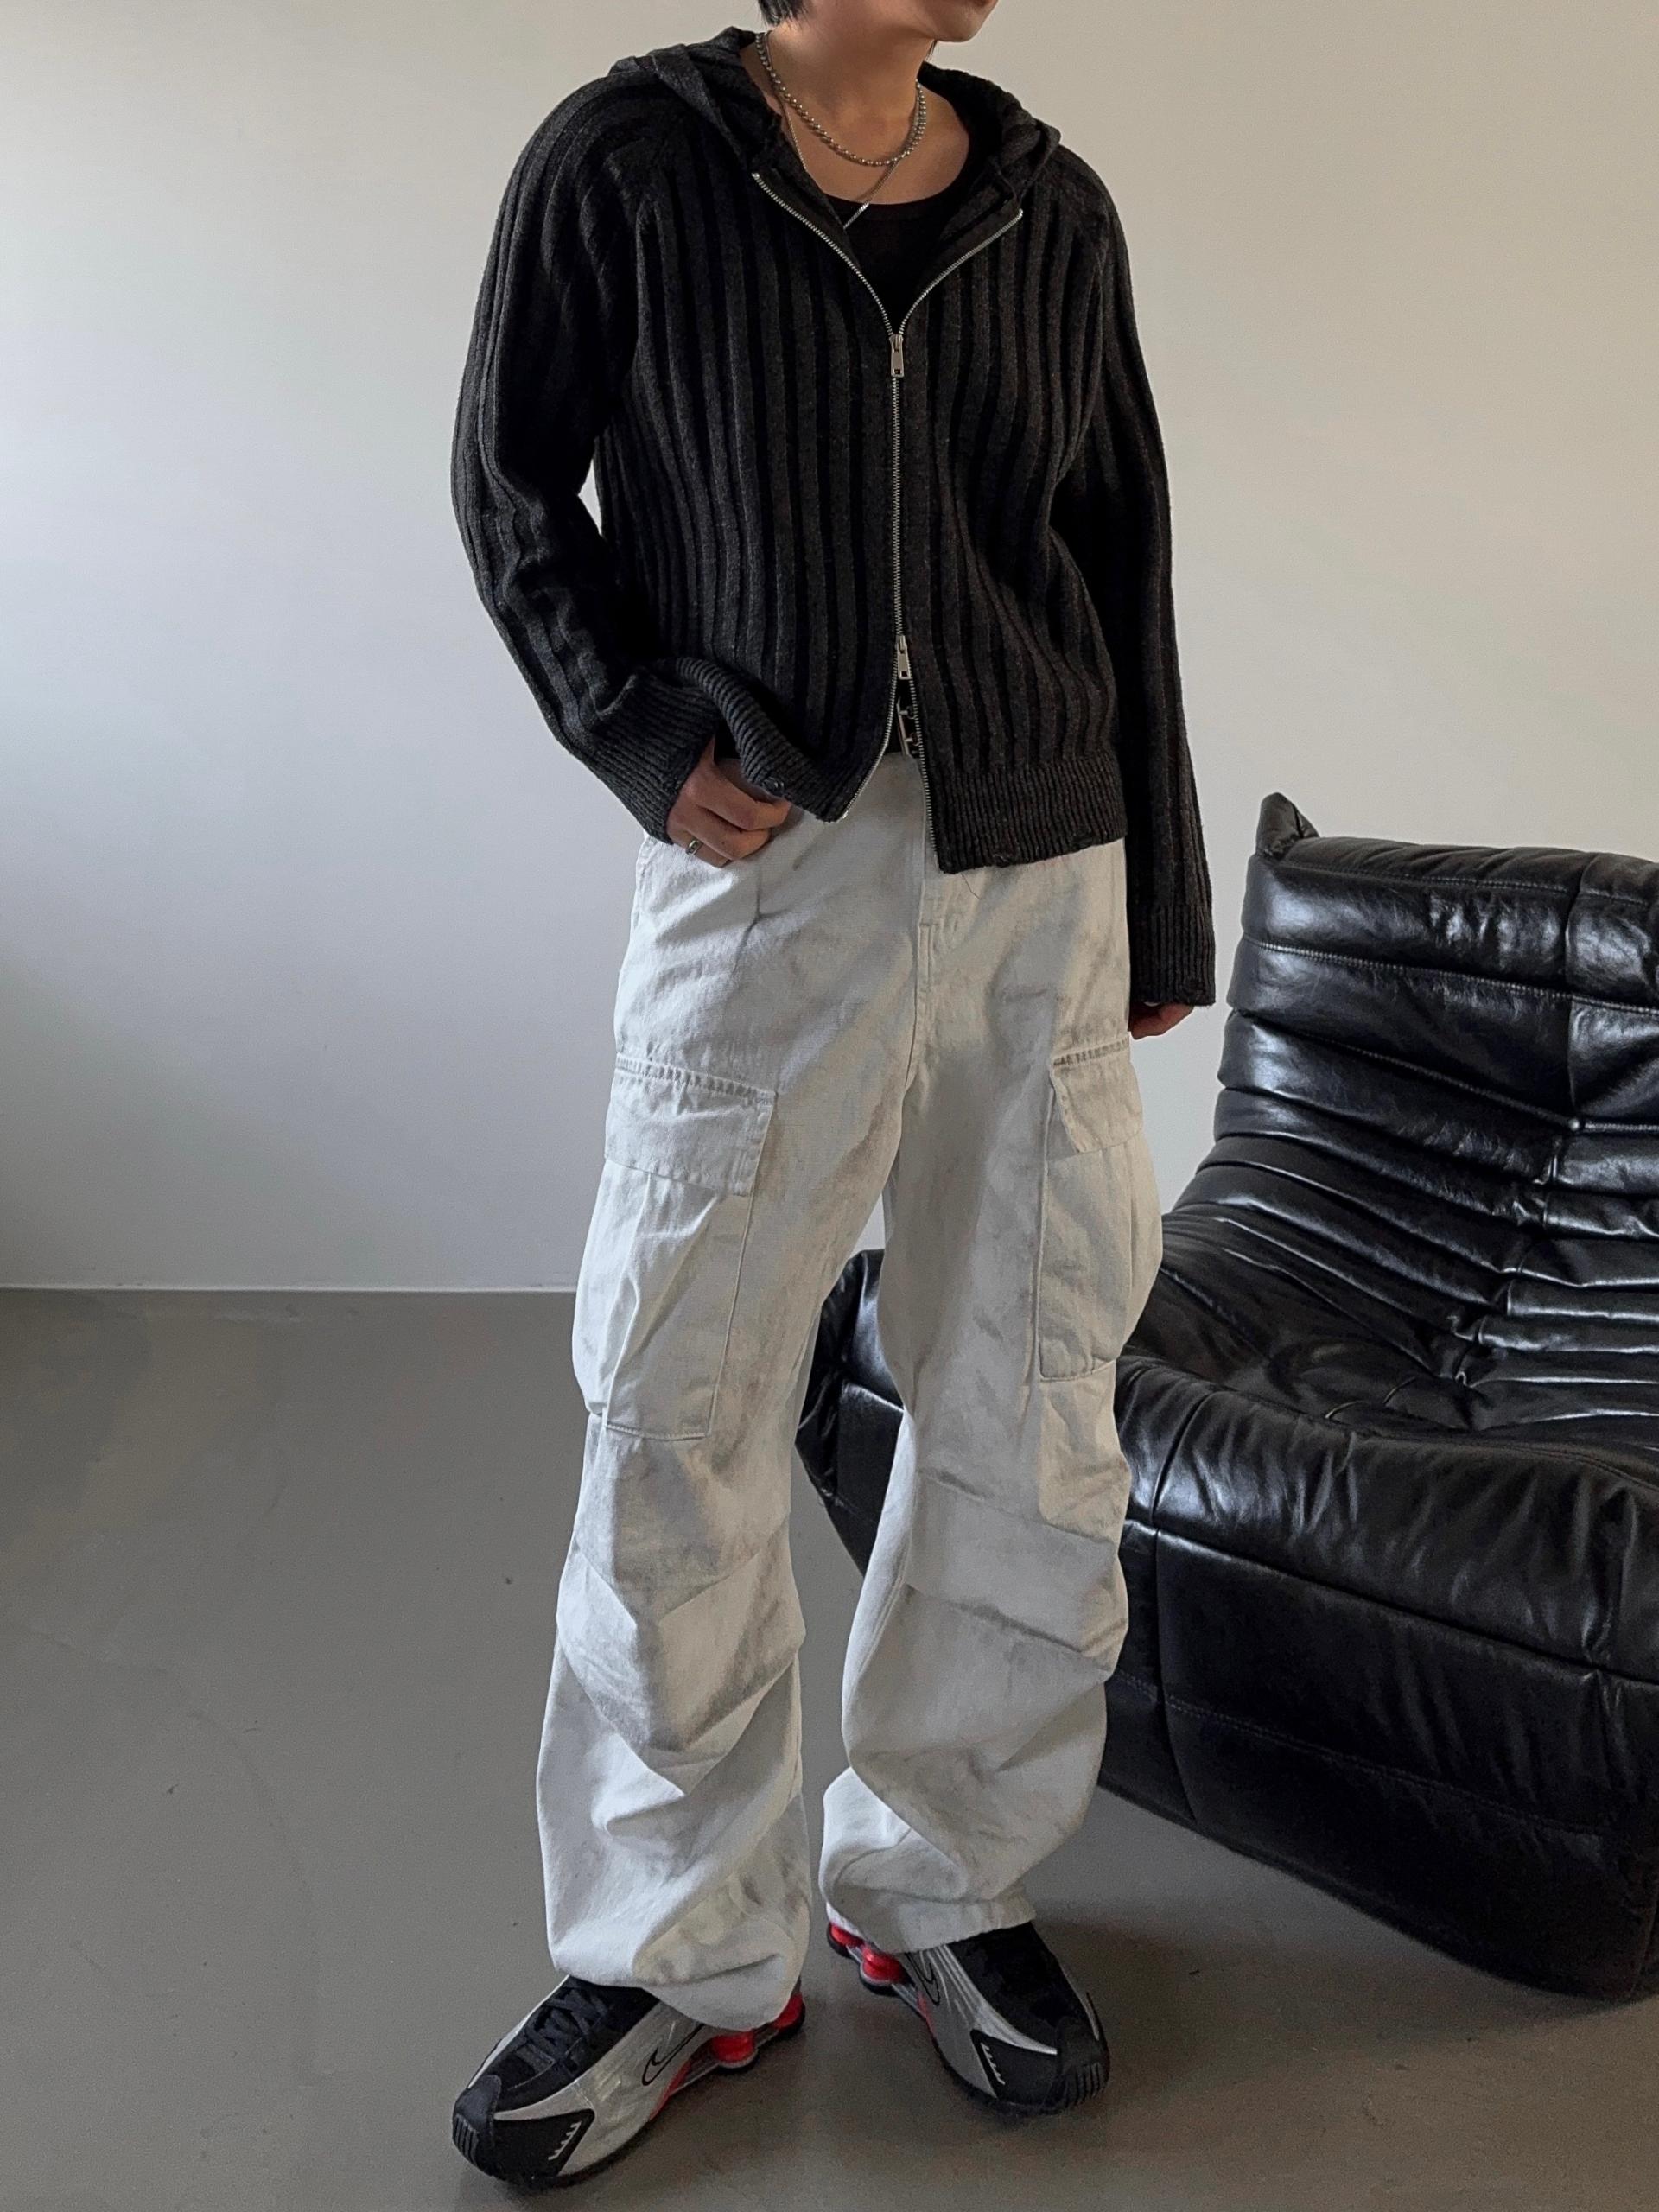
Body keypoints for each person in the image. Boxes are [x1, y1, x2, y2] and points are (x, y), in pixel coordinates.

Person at [447, 2, 1216, 2187]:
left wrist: (1164, 895)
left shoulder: (1053, 206)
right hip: (772, 864)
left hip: (1040, 865)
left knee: (1030, 1386)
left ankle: (944, 1874)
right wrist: (632, 724)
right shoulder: (629, 161)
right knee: (675, 1393)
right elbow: (511, 481)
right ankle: (680, 1952)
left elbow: (1119, 547)